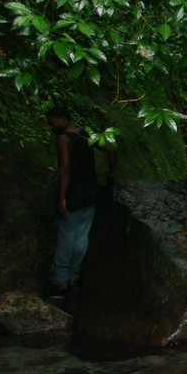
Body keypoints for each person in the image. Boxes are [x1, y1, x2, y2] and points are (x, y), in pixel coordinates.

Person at [44, 105, 117, 293]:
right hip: (91, 191)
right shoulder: (83, 133)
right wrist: (112, 173)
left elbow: (65, 169)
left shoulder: (63, 139)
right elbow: (111, 149)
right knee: (81, 237)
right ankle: (74, 276)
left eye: (52, 123)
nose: (51, 127)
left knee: (66, 236)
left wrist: (61, 197)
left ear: (62, 119)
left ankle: (60, 278)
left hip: (74, 192)